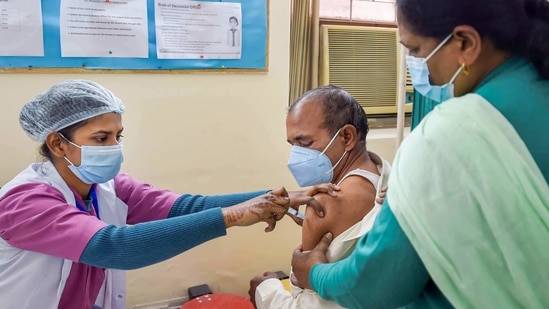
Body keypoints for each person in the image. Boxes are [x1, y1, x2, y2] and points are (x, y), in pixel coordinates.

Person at [291, 0, 549, 308]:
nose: (417, 69)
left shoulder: (448, 135)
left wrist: (314, 273)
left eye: (414, 51)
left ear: (465, 43)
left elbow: (376, 284)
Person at [0, 79, 335, 309]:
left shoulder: (108, 187)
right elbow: (113, 247)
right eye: (101, 139)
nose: (115, 147)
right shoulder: (25, 202)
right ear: (58, 144)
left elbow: (183, 208)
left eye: (119, 135)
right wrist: (233, 216)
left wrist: (275, 198)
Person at [248, 85, 391, 308]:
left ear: (346, 136)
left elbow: (307, 302)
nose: (295, 156)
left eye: (304, 143)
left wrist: (265, 291)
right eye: (292, 145)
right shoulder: (383, 174)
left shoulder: (326, 201)